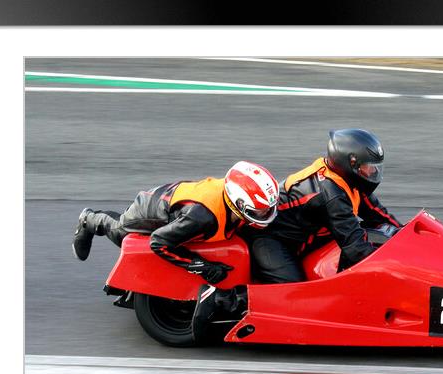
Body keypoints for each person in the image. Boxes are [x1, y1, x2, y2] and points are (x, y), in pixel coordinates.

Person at [71, 160, 279, 342]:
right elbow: (158, 242)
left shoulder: (227, 207)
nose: (266, 213)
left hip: (183, 198)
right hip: (152, 209)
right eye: (260, 210)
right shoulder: (201, 219)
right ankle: (88, 219)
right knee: (120, 232)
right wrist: (203, 266)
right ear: (239, 205)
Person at [244, 128, 402, 284]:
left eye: (376, 167)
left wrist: (408, 236)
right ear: (350, 163)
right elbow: (356, 249)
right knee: (295, 292)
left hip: (307, 236)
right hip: (270, 238)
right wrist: (395, 267)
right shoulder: (332, 195)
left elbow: (379, 215)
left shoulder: (349, 180)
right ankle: (237, 301)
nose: (373, 171)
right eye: (369, 167)